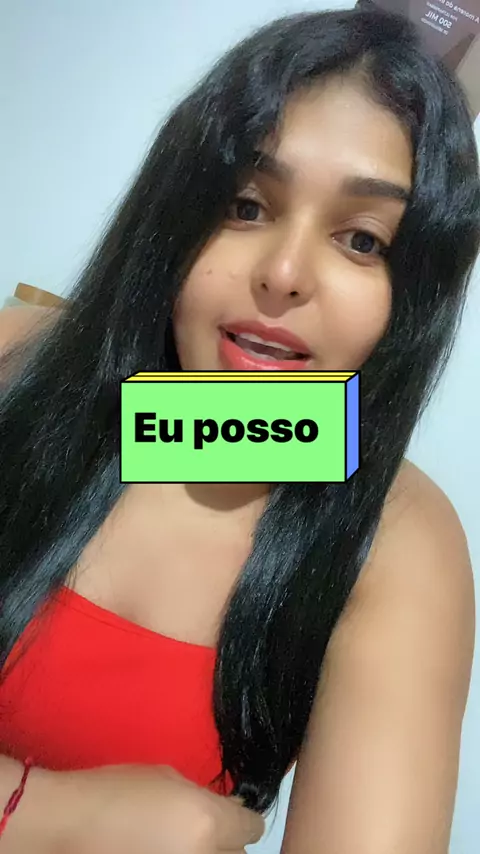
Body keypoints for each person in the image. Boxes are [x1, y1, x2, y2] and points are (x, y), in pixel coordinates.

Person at [0, 6, 479, 853]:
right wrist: (53, 815)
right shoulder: (16, 368)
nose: (284, 274)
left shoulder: (395, 540)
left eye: (362, 239)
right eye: (246, 206)